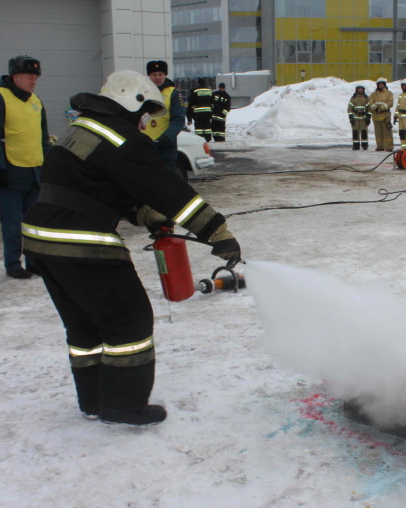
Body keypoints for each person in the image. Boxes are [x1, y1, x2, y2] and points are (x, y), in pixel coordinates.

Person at [21, 70, 242, 426]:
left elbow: (101, 187)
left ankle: (93, 400)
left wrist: (148, 216)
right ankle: (123, 405)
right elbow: (167, 188)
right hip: (80, 241)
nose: (144, 122)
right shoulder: (122, 138)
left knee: (85, 327)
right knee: (129, 319)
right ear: (131, 101)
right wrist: (216, 231)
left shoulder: (82, 130)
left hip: (40, 238)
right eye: (144, 113)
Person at [0, 55, 50, 279]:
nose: (33, 81)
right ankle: (12, 264)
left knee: (33, 223)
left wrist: (47, 166)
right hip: (10, 173)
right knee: (12, 224)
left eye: (36, 78)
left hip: (34, 173)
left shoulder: (36, 101)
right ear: (15, 76)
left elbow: (43, 139)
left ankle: (33, 261)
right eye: (30, 77)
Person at [143, 60, 186, 173]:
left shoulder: (173, 94)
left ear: (165, 75)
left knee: (165, 184)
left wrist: (166, 137)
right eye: (154, 74)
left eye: (160, 74)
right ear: (149, 75)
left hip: (165, 148)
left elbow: (178, 120)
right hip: (144, 146)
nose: (157, 77)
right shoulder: (142, 93)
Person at [369, 78, 394, 151]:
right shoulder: (373, 94)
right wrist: (376, 109)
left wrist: (381, 108)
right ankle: (380, 146)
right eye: (379, 84)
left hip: (385, 116)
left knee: (387, 132)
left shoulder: (389, 93)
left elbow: (390, 103)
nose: (381, 85)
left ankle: (389, 147)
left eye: (382, 84)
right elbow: (371, 103)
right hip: (376, 117)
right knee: (378, 133)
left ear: (384, 85)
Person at [347, 84, 371, 150]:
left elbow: (369, 108)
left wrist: (368, 117)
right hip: (356, 118)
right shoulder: (353, 98)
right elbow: (350, 108)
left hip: (364, 118)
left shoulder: (366, 98)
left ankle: (364, 145)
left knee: (364, 132)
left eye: (361, 89)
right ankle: (355, 146)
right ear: (357, 89)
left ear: (363, 90)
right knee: (355, 132)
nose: (360, 90)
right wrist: (351, 117)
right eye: (359, 89)